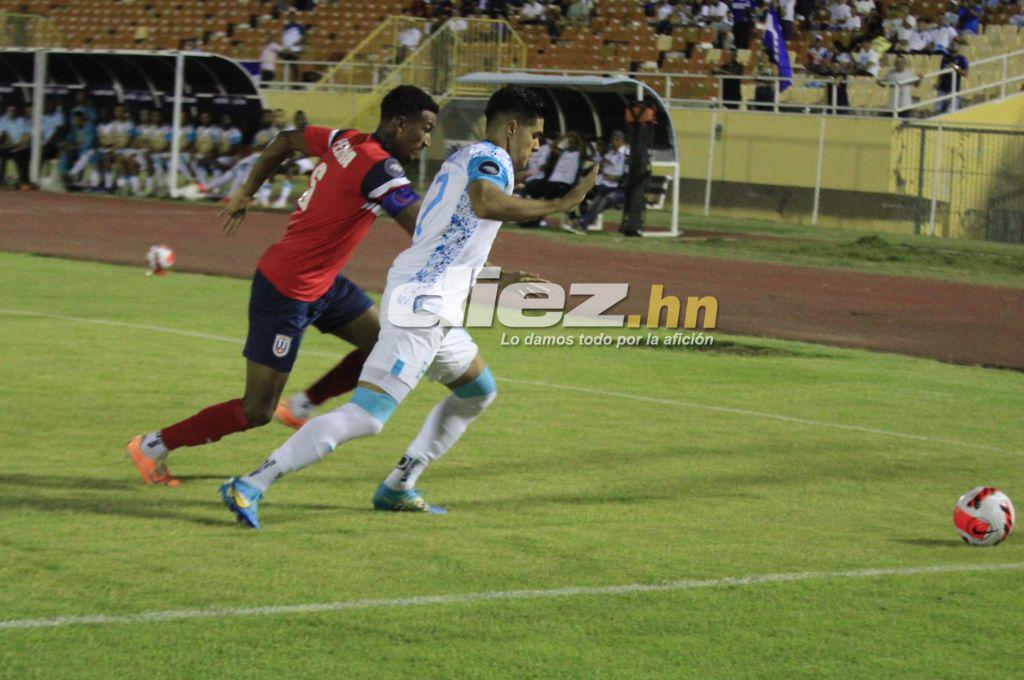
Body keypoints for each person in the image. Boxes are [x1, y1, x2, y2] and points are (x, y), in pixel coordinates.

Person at [219, 86, 598, 527]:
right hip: (424, 305)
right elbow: (484, 201)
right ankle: (250, 484)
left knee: (478, 390)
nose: (536, 145)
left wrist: (489, 275)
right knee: (367, 416)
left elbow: (446, 235)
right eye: (534, 135)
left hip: (433, 301)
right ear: (511, 128)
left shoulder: (463, 158)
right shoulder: (489, 161)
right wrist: (560, 203)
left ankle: (398, 485)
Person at [124, 86, 440, 486]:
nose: (427, 140)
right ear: (400, 123)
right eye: (425, 129)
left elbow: (287, 140)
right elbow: (421, 229)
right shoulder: (380, 168)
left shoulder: (345, 139)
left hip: (322, 283)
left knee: (385, 343)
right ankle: (152, 445)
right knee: (256, 410)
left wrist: (246, 190)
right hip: (286, 290)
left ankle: (304, 404)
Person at [575, 130, 628, 232]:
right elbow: (600, 168)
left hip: (617, 189)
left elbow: (623, 177)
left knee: (603, 200)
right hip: (603, 186)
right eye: (613, 140)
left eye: (617, 140)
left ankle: (582, 223)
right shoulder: (609, 153)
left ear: (622, 141)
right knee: (581, 193)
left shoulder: (626, 155)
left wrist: (613, 177)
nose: (614, 143)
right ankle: (584, 218)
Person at [0, 103, 32, 190]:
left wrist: (19, 145)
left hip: (20, 146)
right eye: (10, 110)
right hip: (6, 146)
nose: (12, 112)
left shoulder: (21, 121)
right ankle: (1, 181)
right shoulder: (2, 121)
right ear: (7, 111)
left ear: (16, 111)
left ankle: (23, 182)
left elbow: (26, 135)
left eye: (13, 110)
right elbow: (3, 135)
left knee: (22, 154)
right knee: (3, 155)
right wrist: (10, 144)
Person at [937, 39, 968, 112]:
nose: (953, 46)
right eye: (952, 45)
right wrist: (938, 82)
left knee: (951, 111)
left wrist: (955, 67)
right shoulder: (945, 57)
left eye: (955, 45)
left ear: (959, 46)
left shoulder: (962, 59)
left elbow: (965, 73)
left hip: (953, 89)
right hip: (942, 88)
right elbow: (941, 71)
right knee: (938, 110)